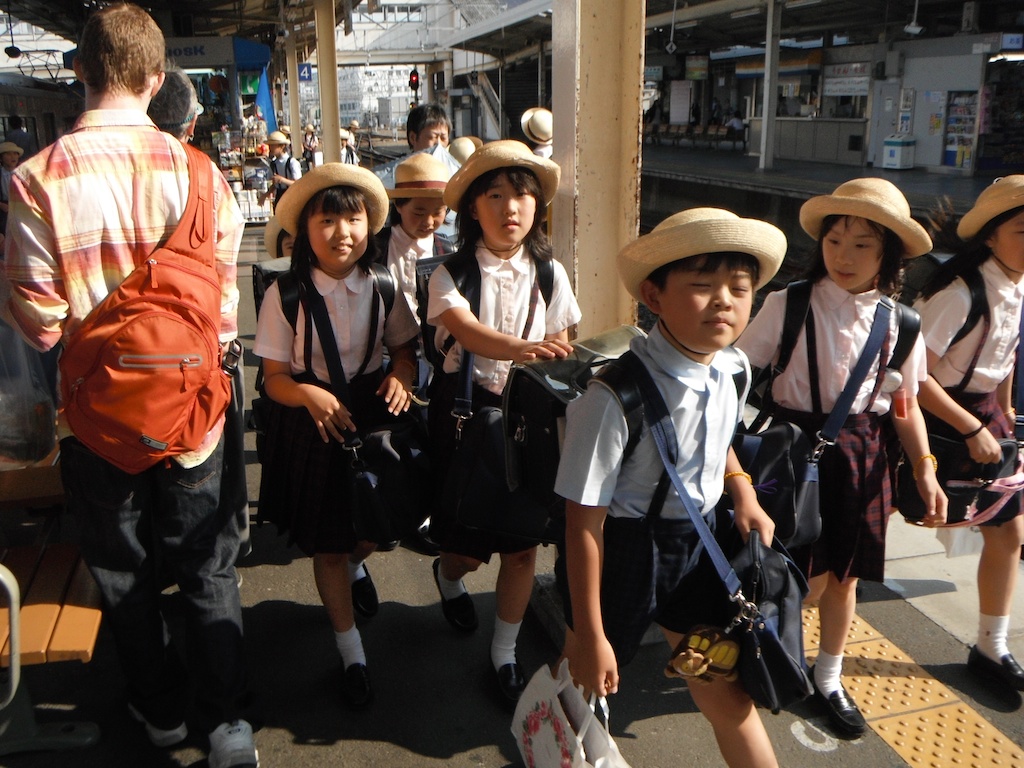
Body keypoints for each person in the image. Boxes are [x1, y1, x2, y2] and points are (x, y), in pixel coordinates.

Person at [0, 5, 257, 767]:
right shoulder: (201, 172)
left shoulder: (36, 178)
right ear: (156, 80)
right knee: (207, 565)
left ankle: (159, 714)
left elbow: (37, 318)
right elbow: (221, 307)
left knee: (125, 571)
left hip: (93, 423)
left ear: (79, 71)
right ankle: (226, 724)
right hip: (193, 418)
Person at [556, 207, 786, 768]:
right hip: (626, 551)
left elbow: (716, 440)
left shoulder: (731, 369)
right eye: (702, 287)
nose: (725, 302)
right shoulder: (613, 398)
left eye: (739, 287)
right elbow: (583, 521)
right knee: (583, 683)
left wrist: (742, 492)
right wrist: (589, 633)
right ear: (654, 297)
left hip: (701, 545)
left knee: (725, 692)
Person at [736, 178, 946, 738]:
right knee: (788, 572)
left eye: (862, 245)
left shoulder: (902, 324)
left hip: (862, 454)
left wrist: (925, 471)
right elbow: (733, 374)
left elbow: (905, 406)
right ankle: (773, 650)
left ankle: (829, 675)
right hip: (788, 451)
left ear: (888, 256)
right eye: (835, 240)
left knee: (846, 577)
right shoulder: (788, 302)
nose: (844, 256)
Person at [253, 163, 420, 709]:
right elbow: (274, 378)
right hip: (313, 422)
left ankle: (358, 562)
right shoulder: (285, 295)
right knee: (327, 540)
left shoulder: (384, 285)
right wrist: (308, 394)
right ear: (304, 230)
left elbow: (403, 348)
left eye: (353, 218)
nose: (342, 232)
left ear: (369, 226)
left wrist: (401, 375)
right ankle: (351, 651)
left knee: (372, 525)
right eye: (327, 220)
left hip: (370, 414)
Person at [426, 140, 581, 704]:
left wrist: (561, 353)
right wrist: (524, 348)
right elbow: (467, 333)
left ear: (537, 207)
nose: (510, 206)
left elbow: (563, 340)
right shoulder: (450, 274)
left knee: (521, 547)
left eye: (522, 194)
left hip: (528, 422)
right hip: (468, 419)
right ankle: (448, 575)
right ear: (472, 208)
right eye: (495, 195)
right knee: (466, 544)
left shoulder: (549, 271)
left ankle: (504, 653)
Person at [913, 176, 1024, 693]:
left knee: (1009, 532)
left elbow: (1005, 356)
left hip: (982, 419)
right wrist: (974, 426)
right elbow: (914, 376)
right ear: (991, 237)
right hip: (936, 421)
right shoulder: (960, 294)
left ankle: (990, 645)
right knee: (875, 527)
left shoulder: (1017, 281)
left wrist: (1005, 417)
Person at [148, 64, 251, 563]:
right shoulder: (205, 176)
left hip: (105, 391)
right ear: (191, 125)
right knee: (207, 549)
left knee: (128, 560)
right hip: (196, 375)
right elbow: (226, 293)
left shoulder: (58, 170)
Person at [376, 152, 454, 319]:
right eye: (419, 213)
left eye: (437, 213)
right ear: (398, 205)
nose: (428, 222)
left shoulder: (447, 251)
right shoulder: (376, 247)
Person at [259, 129, 301, 210]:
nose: (270, 148)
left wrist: (282, 180)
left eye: (273, 145)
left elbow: (298, 183)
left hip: (292, 196)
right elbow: (275, 185)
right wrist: (265, 195)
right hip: (279, 196)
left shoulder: (292, 162)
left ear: (282, 146)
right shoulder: (274, 163)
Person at [0, 140, 23, 236]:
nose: (13, 157)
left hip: (22, 208)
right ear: (1, 158)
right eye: (8, 154)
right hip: (4, 210)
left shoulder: (23, 172)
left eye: (15, 154)